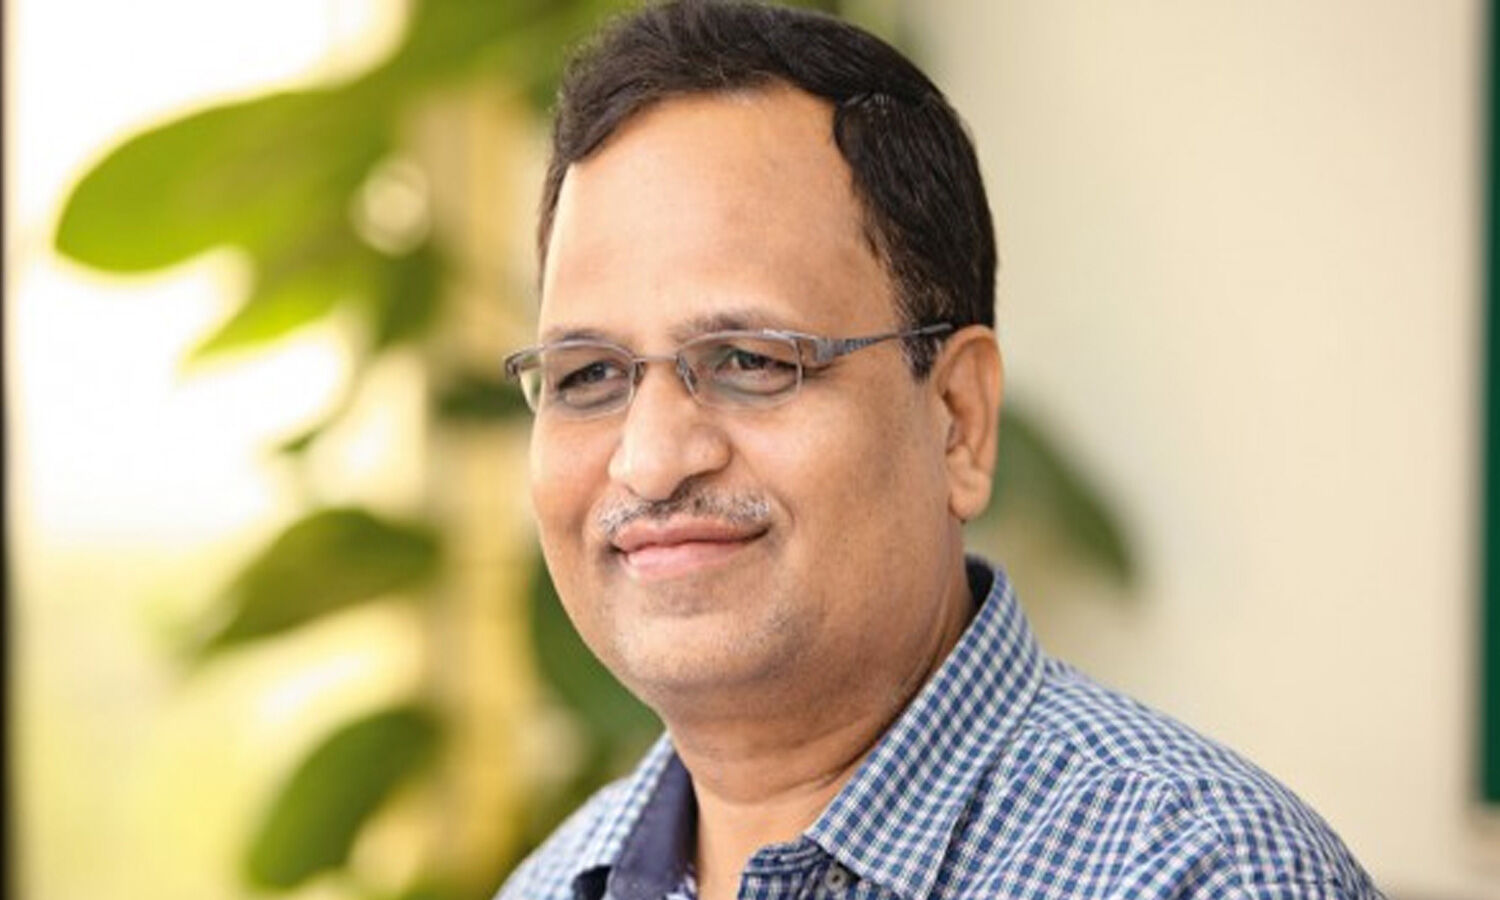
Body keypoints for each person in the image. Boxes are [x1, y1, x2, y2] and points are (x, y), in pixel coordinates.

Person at [496, 2, 1382, 898]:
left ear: (959, 419)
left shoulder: (1204, 875)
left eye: (751, 361)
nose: (650, 460)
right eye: (588, 375)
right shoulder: (551, 884)